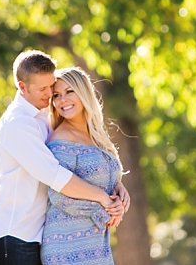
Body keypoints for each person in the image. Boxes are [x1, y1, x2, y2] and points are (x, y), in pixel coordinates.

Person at [0, 51, 129, 265]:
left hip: (38, 232)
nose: (50, 94)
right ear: (22, 88)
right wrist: (105, 201)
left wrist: (116, 187)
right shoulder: (18, 123)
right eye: (43, 89)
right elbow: (55, 176)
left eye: (51, 87)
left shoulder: (43, 116)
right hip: (15, 232)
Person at [40, 67, 123, 265]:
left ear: (84, 92)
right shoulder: (61, 140)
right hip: (66, 249)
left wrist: (119, 190)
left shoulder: (96, 135)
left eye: (69, 92)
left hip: (96, 245)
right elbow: (57, 195)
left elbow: (100, 177)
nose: (62, 100)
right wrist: (105, 211)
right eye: (57, 95)